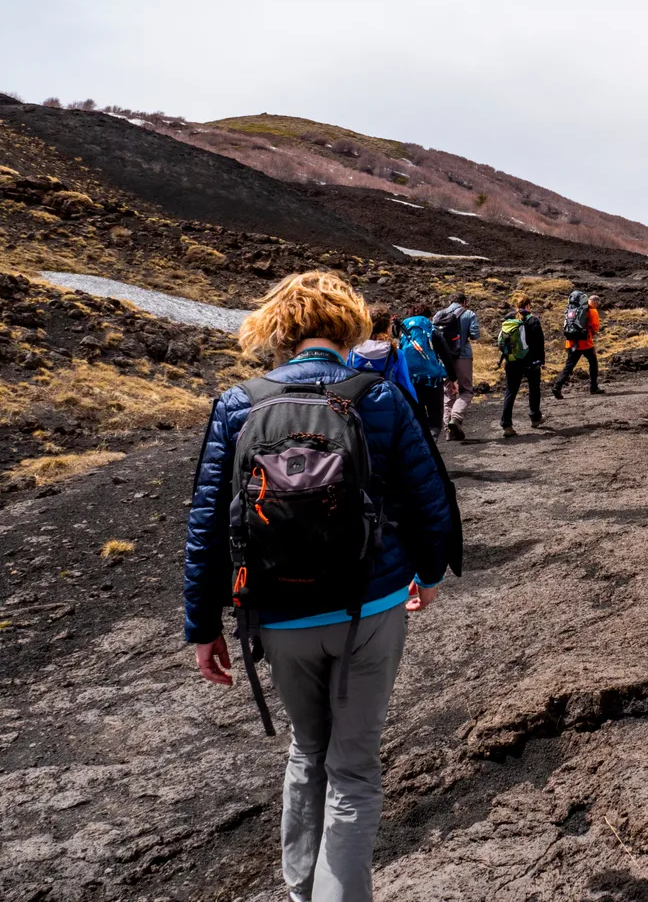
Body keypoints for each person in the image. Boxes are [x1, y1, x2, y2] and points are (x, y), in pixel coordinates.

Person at [184, 270, 461, 902]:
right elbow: (428, 498)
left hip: (279, 613)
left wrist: (202, 626)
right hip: (372, 601)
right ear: (349, 325)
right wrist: (427, 573)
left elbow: (206, 523)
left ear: (278, 328)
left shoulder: (238, 404)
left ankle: (300, 893)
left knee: (308, 750)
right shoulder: (378, 396)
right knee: (354, 770)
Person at [432, 293, 481, 442]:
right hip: (463, 355)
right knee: (466, 390)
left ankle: (449, 431)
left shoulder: (439, 314)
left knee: (448, 392)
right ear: (464, 302)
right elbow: (475, 335)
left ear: (450, 301)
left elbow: (433, 334)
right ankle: (456, 418)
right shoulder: (469, 314)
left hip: (444, 358)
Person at [398, 305, 450, 439]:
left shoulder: (404, 330)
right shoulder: (430, 329)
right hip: (433, 380)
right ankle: (432, 439)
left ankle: (422, 442)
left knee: (417, 415)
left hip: (411, 380)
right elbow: (445, 353)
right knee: (435, 418)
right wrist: (453, 377)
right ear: (429, 316)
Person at [347, 304, 417, 402]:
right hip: (387, 404)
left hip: (356, 404)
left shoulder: (352, 351)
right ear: (388, 328)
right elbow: (406, 385)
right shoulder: (395, 353)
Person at [498, 295, 544, 438]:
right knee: (534, 389)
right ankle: (535, 417)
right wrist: (541, 361)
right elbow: (539, 343)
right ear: (528, 305)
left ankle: (506, 424)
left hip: (512, 361)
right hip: (530, 362)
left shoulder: (509, 320)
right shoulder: (533, 320)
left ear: (516, 306)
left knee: (510, 391)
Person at [552, 292, 602, 398]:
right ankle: (593, 387)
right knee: (593, 364)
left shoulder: (572, 309)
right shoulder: (592, 311)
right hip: (586, 343)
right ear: (595, 303)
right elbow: (596, 327)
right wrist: (589, 334)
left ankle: (557, 387)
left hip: (571, 343)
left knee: (568, 366)